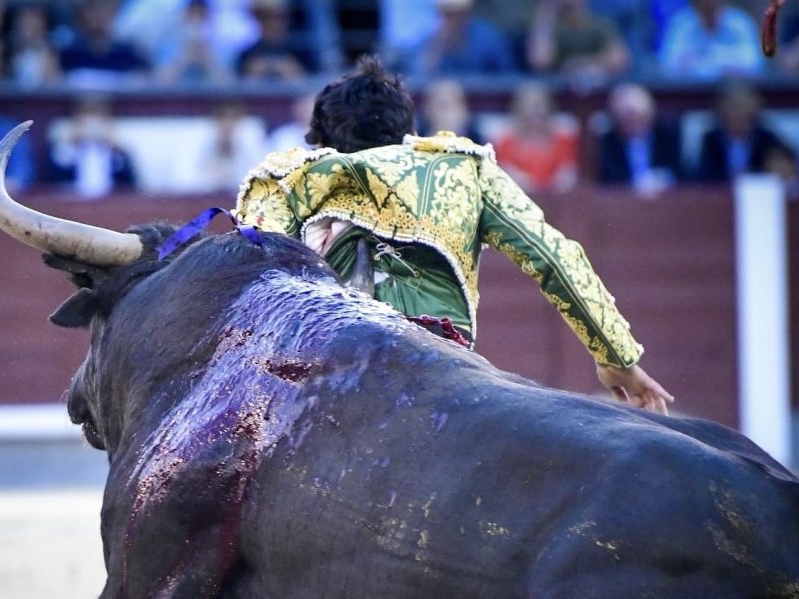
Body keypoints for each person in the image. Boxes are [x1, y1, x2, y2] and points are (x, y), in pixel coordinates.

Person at [234, 57, 673, 414]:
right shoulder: (464, 169)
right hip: (446, 361)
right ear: (410, 131)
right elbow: (552, 257)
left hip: (333, 369)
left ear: (322, 143)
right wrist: (617, 360)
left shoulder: (296, 177)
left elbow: (249, 286)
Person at [694, 83, 791, 182]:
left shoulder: (768, 140)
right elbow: (704, 177)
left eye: (743, 107)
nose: (738, 113)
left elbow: (776, 174)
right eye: (733, 107)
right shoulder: (711, 140)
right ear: (722, 111)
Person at [598, 83, 682, 196]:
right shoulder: (605, 145)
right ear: (615, 119)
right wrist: (636, 186)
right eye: (627, 120)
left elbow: (684, 177)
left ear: (651, 115)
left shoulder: (668, 138)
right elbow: (606, 183)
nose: (634, 124)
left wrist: (664, 179)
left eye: (640, 118)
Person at [493, 82, 578, 192]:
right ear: (518, 109)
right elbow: (502, 175)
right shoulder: (505, 143)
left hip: (557, 201)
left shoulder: (564, 141)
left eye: (540, 104)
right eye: (529, 105)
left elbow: (569, 175)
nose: (535, 110)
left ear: (550, 108)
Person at [47, 94, 137, 198]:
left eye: (98, 120)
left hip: (110, 203)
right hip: (73, 203)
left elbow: (131, 186)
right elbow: (52, 180)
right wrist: (71, 143)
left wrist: (115, 147)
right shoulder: (64, 151)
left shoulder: (119, 153)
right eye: (86, 120)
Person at [657, 0, 762, 79]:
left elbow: (753, 65)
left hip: (732, 90)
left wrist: (701, 61)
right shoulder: (681, 23)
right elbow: (667, 66)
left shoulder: (741, 23)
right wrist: (727, 63)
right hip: (689, 91)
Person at [526, 0, 630, 80]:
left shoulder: (601, 25)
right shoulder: (551, 27)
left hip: (600, 84)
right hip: (557, 87)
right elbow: (539, 61)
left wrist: (582, 64)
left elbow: (619, 60)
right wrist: (547, 10)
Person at [409, 0, 514, 77]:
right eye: (446, 14)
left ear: (467, 13)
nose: (453, 20)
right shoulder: (429, 41)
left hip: (485, 102)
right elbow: (417, 78)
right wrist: (436, 48)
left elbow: (509, 77)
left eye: (457, 14)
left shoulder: (488, 37)